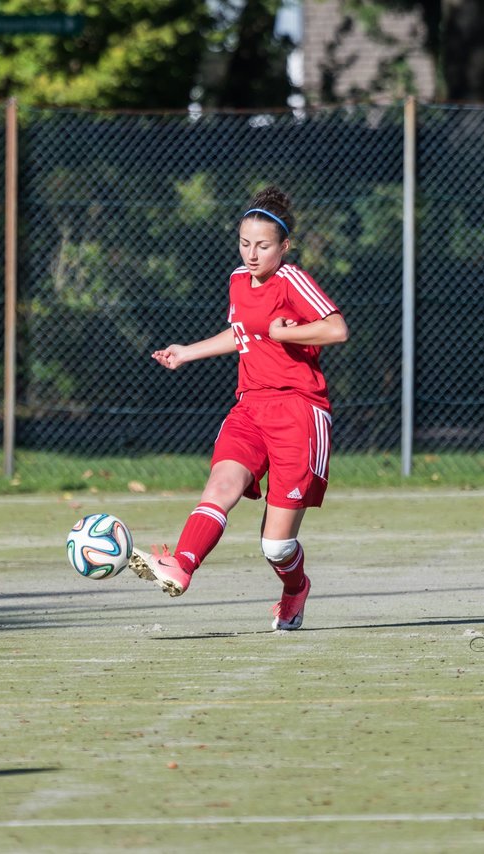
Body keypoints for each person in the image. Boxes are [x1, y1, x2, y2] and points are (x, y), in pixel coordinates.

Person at [129, 186, 349, 631]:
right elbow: (244, 335)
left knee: (276, 548)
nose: (252, 254)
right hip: (250, 407)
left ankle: (295, 588)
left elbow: (336, 329)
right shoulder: (236, 280)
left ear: (284, 246)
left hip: (298, 414)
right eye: (245, 243)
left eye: (263, 246)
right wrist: (187, 352)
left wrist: (288, 335)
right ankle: (182, 565)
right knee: (221, 486)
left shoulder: (292, 281)